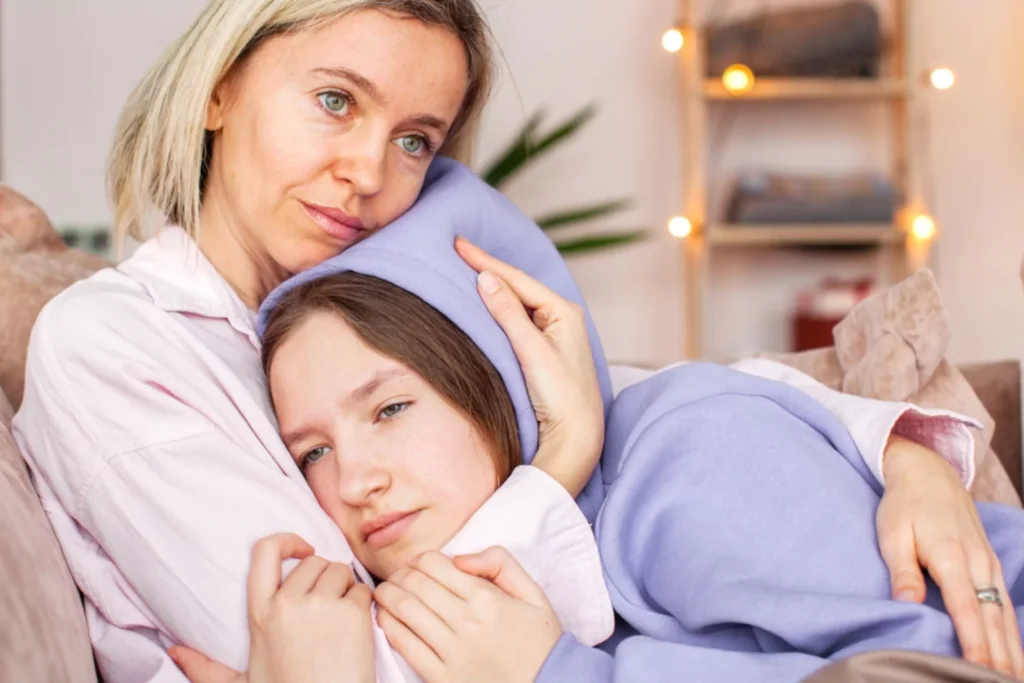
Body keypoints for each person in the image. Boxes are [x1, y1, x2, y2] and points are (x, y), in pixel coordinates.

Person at [7, 0, 1016, 679]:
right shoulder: (115, 343)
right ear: (219, 85)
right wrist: (562, 459)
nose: (367, 169)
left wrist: (894, 447)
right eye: (333, 99)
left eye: (416, 138)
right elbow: (374, 662)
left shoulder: (369, 278)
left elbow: (636, 404)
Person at [173, 158, 1022, 683]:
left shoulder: (685, 454)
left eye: (391, 407)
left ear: (501, 376)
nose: (354, 481)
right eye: (313, 449)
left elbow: (938, 673)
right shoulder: (462, 580)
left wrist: (556, 675)